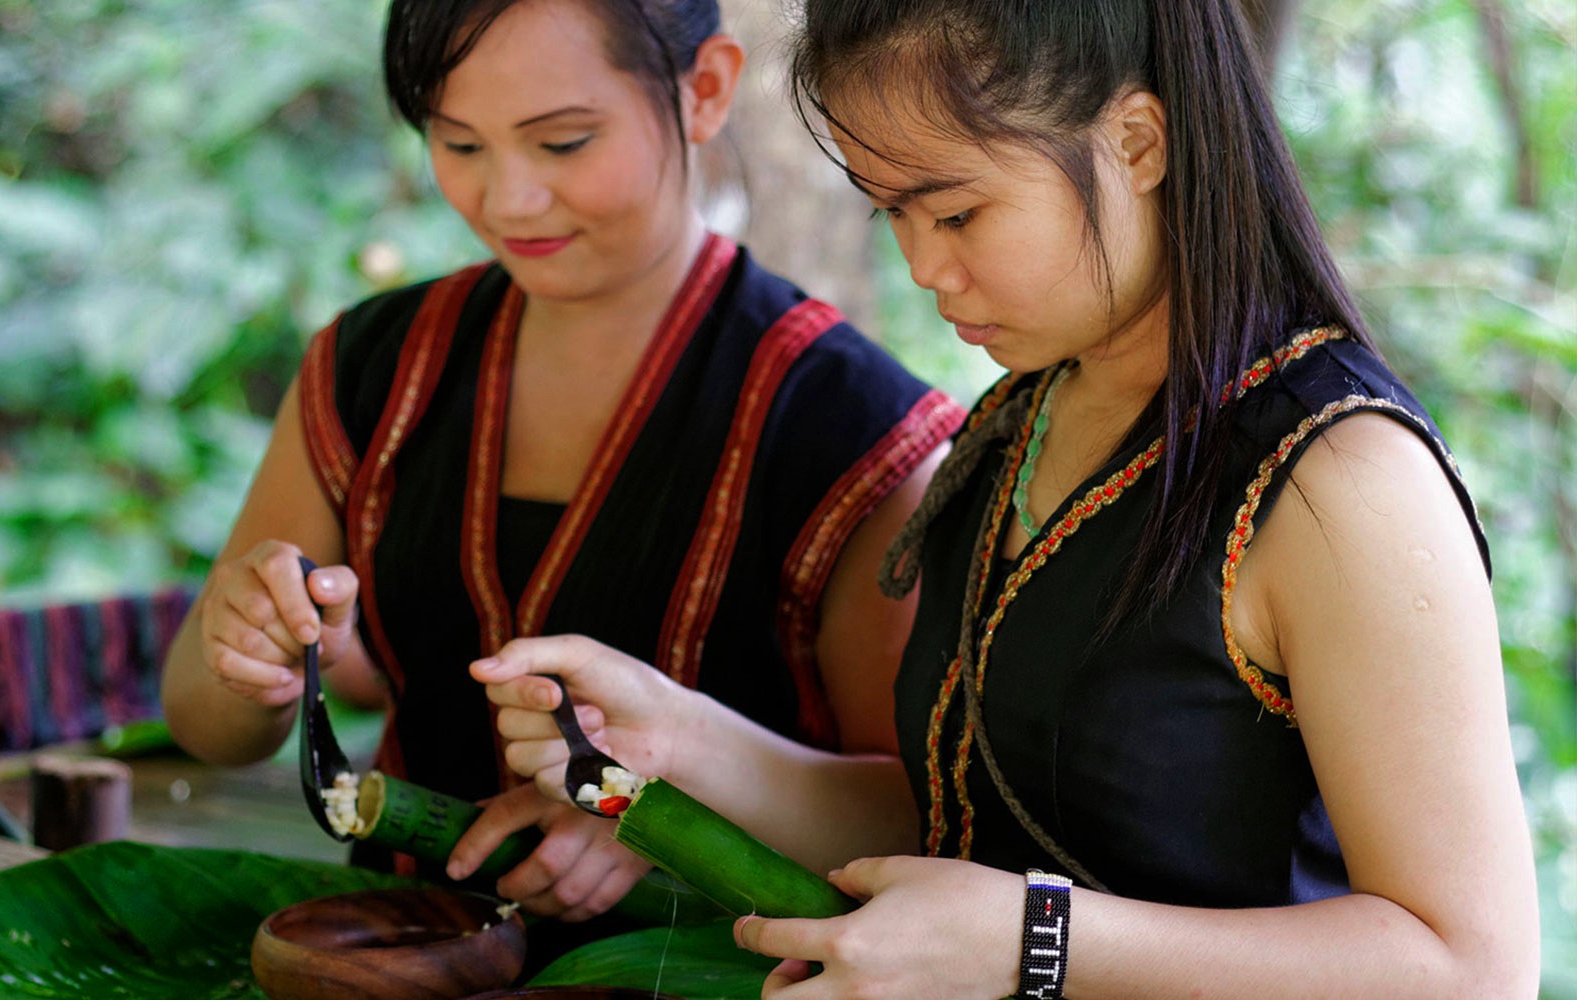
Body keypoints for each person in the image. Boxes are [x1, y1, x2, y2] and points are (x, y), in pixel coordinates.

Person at [471, 0, 1541, 995]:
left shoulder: (1338, 479)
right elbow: (967, 829)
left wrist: (1037, 939)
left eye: (955, 210)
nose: (925, 266)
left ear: (1137, 142)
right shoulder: (1013, 425)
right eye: (891, 211)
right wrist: (688, 742)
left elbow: (1469, 964)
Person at [159, 0, 963, 925]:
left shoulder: (855, 430)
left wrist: (656, 813)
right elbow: (205, 725)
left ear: (704, 91)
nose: (509, 201)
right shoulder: (370, 368)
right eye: (460, 146)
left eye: (564, 143)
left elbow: (922, 818)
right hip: (392, 955)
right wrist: (247, 660)